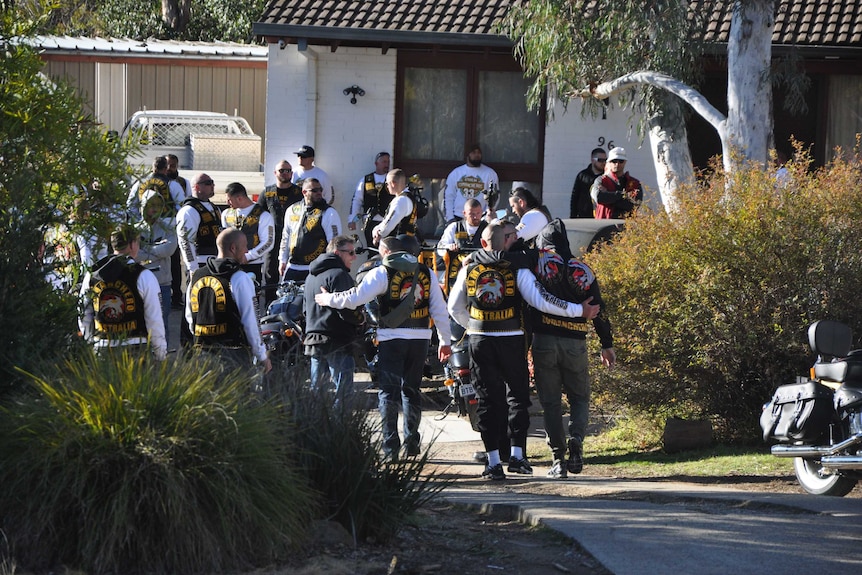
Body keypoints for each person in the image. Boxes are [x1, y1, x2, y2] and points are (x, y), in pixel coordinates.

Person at [447, 222, 599, 480]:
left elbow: (454, 306)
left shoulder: (469, 266)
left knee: (487, 401)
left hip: (480, 340)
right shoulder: (518, 268)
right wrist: (577, 311)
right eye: (512, 236)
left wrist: (473, 326)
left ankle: (494, 462)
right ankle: (517, 456)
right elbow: (540, 300)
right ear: (505, 241)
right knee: (516, 397)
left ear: (484, 243)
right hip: (511, 339)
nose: (517, 238)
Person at [315, 235, 452, 460]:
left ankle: (390, 447)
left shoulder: (381, 272)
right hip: (420, 338)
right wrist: (445, 341)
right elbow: (439, 309)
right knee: (412, 391)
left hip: (391, 338)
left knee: (388, 392)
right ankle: (412, 442)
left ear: (386, 252)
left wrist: (329, 298)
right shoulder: (426, 272)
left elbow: (355, 298)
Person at [531, 220, 615, 478]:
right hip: (575, 342)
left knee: (551, 402)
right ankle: (576, 438)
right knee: (580, 398)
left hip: (543, 341)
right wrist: (606, 344)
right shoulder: (584, 270)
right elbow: (598, 309)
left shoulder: (538, 264)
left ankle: (558, 458)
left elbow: (527, 302)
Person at [186, 228, 271, 373]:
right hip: (233, 356)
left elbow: (189, 317)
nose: (246, 251)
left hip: (201, 354)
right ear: (233, 248)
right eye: (244, 246)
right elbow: (251, 321)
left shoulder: (197, 276)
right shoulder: (240, 278)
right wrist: (262, 356)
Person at [79, 224, 167, 360]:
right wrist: (160, 353)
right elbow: (154, 320)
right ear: (132, 245)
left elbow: (83, 313)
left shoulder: (92, 275)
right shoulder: (143, 275)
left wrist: (90, 342)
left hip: (102, 346)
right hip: (135, 349)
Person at [303, 235, 366, 407]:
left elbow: (305, 310)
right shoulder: (339, 275)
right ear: (338, 253)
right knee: (343, 395)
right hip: (337, 341)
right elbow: (348, 310)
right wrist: (361, 319)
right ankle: (341, 430)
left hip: (314, 340)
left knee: (318, 394)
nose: (354, 257)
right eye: (351, 253)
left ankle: (318, 429)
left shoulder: (310, 277)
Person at [176, 173, 223, 346]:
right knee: (193, 303)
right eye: (208, 183)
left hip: (214, 263)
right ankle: (187, 343)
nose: (212, 186)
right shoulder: (189, 210)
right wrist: (192, 266)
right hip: (199, 264)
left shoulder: (214, 208)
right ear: (197, 187)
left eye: (212, 182)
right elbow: (185, 241)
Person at [135, 188, 178, 348]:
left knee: (161, 321)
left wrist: (146, 250)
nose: (153, 210)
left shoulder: (168, 228)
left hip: (163, 283)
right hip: (140, 283)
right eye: (150, 205)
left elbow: (169, 249)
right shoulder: (135, 229)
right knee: (142, 321)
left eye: (157, 206)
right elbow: (134, 254)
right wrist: (156, 252)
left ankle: (162, 353)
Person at [278, 178, 342, 282]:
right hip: (293, 267)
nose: (319, 193)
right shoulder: (292, 210)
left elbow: (334, 242)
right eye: (314, 190)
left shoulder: (328, 212)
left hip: (315, 268)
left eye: (320, 190)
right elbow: (286, 237)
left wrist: (330, 266)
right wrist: (282, 260)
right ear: (304, 192)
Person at [258, 160, 303, 305]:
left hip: (293, 238)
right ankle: (269, 306)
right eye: (282, 170)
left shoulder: (298, 192)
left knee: (290, 274)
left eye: (288, 170)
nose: (285, 173)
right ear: (275, 173)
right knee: (270, 273)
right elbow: (258, 215)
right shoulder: (267, 192)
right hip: (272, 239)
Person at [221, 182, 275, 288]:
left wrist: (248, 256)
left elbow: (268, 242)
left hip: (252, 265)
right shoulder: (226, 214)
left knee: (252, 298)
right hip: (231, 265)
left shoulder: (263, 215)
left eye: (229, 199)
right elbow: (224, 239)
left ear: (240, 198)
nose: (227, 202)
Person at [436, 198, 487, 295]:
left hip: (480, 276)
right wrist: (449, 247)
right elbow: (440, 247)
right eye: (472, 214)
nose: (475, 217)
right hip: (455, 276)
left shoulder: (487, 228)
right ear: (464, 213)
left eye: (478, 213)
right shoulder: (454, 227)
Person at [443, 144, 499, 223]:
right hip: (458, 217)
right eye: (473, 152)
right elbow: (448, 197)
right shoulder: (456, 173)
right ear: (467, 155)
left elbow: (495, 197)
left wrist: (488, 214)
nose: (477, 155)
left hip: (481, 218)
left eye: (479, 153)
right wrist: (450, 218)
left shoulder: (490, 173)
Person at [348, 151, 393, 247]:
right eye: (384, 162)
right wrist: (352, 219)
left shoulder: (392, 180)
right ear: (376, 163)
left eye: (388, 162)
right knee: (372, 250)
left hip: (388, 222)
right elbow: (357, 200)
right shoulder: (365, 180)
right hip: (370, 222)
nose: (387, 164)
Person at [164, 154, 192, 309]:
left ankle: (177, 296)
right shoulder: (158, 182)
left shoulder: (183, 182)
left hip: (176, 228)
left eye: (173, 165)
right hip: (161, 229)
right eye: (168, 165)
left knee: (176, 263)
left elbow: (187, 203)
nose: (170, 168)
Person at [590, 147, 643, 219]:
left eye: (621, 161)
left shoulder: (634, 183)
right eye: (614, 161)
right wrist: (624, 195)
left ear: (625, 162)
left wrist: (608, 195)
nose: (617, 164)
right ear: (608, 162)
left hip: (627, 226)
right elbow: (599, 198)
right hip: (604, 225)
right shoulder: (601, 180)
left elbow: (634, 205)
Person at [126, 156, 184, 221]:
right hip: (167, 224)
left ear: (153, 167)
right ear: (166, 169)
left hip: (144, 224)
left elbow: (131, 205)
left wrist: (138, 220)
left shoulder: (140, 183)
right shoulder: (173, 184)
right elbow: (181, 207)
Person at [371, 168, 418, 245]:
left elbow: (389, 223)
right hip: (409, 241)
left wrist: (378, 233)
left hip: (399, 244)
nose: (387, 186)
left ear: (393, 183)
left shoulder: (400, 201)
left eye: (387, 183)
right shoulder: (409, 197)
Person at [570, 148, 607, 218]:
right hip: (583, 216)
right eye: (600, 160)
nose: (603, 163)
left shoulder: (606, 177)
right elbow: (575, 197)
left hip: (601, 216)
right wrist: (573, 216)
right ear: (593, 160)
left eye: (605, 160)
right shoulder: (582, 175)